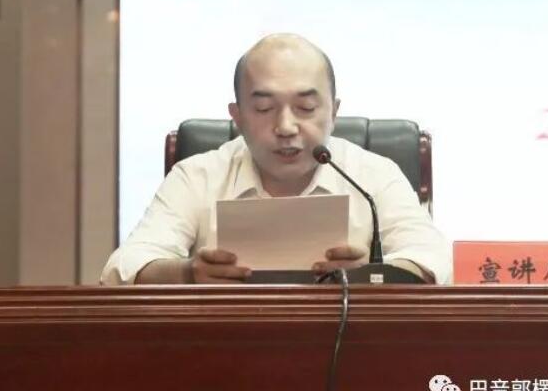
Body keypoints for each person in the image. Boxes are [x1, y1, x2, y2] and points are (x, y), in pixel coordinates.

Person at [101, 33, 452, 285]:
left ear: (334, 113)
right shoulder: (198, 176)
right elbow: (122, 268)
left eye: (306, 108)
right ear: (237, 117)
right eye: (264, 108)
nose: (286, 127)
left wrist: (371, 274)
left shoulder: (373, 175)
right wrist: (188, 272)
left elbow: (435, 260)